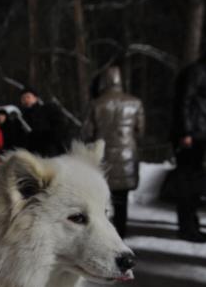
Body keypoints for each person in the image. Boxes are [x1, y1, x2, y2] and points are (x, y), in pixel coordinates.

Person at [83, 65, 145, 238]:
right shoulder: (135, 102)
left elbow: (87, 133)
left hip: (104, 157)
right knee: (122, 199)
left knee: (104, 199)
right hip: (127, 156)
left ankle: (106, 234)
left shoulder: (96, 104)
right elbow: (140, 131)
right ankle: (122, 232)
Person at [170, 49, 206, 242]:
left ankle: (191, 225)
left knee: (193, 182)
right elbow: (184, 101)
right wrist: (185, 132)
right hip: (190, 136)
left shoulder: (203, 73)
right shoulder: (197, 72)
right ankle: (187, 228)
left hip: (198, 134)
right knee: (187, 182)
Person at [19, 86, 69, 157]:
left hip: (53, 152)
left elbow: (60, 127)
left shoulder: (47, 109)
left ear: (35, 98)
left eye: (28, 97)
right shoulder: (22, 118)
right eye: (23, 98)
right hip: (33, 155)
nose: (26, 100)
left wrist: (46, 137)